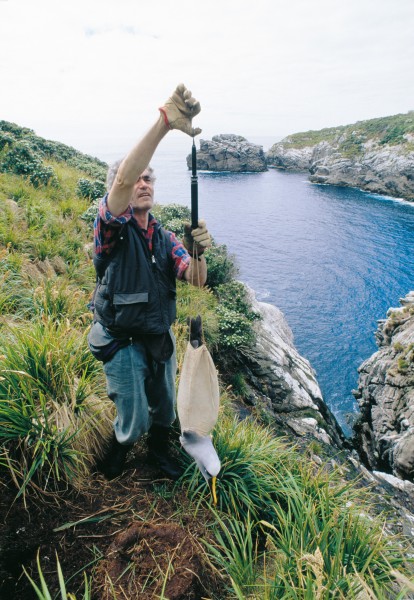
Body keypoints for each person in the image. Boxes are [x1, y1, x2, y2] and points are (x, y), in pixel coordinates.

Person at [88, 83, 211, 480]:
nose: (143, 183)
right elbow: (120, 185)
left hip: (158, 335)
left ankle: (159, 454)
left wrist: (200, 254)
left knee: (166, 405)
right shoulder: (111, 229)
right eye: (137, 178)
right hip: (121, 339)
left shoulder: (165, 237)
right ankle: (120, 448)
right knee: (136, 416)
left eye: (149, 180)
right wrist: (165, 123)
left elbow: (194, 279)